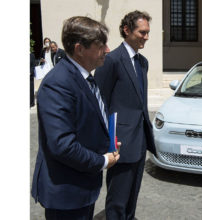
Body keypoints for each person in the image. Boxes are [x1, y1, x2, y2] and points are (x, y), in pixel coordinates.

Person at [31, 16, 120, 220]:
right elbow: (62, 145)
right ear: (80, 49)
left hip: (82, 188)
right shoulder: (58, 84)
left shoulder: (86, 77)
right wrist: (102, 161)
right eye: (101, 45)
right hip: (66, 193)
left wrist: (109, 142)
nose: (107, 50)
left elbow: (87, 121)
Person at [94, 10, 157, 219]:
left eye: (148, 32)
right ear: (127, 30)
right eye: (142, 32)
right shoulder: (111, 60)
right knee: (117, 202)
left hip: (139, 142)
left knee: (132, 200)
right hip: (119, 144)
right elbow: (100, 103)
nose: (146, 37)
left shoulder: (143, 63)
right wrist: (107, 142)